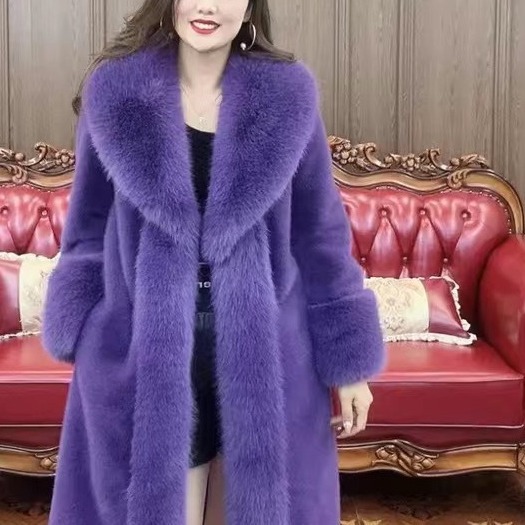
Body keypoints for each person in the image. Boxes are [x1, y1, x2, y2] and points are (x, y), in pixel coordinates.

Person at [41, 1, 386, 524]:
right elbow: (87, 229)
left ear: (248, 7)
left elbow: (319, 236)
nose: (206, 5)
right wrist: (88, 330)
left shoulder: (287, 98)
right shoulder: (116, 95)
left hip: (268, 357)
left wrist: (350, 365)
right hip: (144, 352)